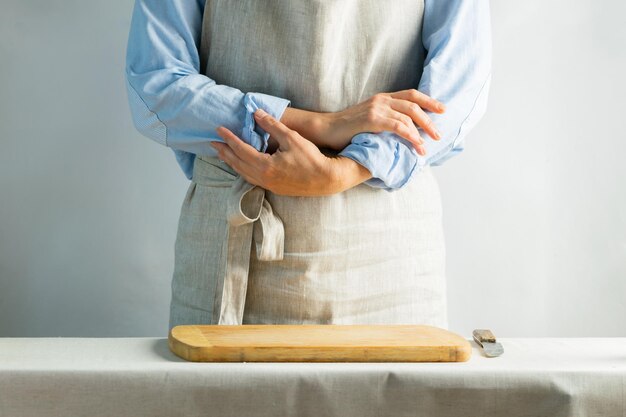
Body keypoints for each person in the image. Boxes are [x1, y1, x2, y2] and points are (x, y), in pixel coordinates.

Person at [125, 0, 492, 332]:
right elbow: (156, 86)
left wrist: (346, 170)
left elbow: (456, 89)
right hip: (234, 250)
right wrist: (325, 126)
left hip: (389, 256)